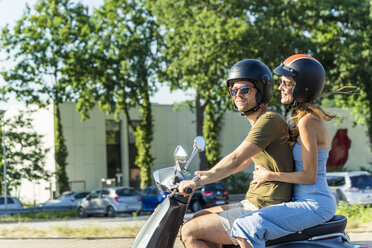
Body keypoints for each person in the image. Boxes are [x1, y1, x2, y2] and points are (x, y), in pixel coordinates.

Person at [178, 59, 294, 248]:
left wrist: (197, 182)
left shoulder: (269, 120)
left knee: (189, 230)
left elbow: (235, 159)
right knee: (200, 216)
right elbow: (243, 163)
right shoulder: (260, 123)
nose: (238, 94)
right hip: (254, 202)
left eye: (245, 90)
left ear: (261, 90)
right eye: (234, 91)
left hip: (266, 207)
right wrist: (205, 175)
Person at [231, 54, 337, 248]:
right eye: (281, 82)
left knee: (244, 226)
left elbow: (309, 176)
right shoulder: (300, 118)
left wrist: (269, 175)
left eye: (286, 83)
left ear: (303, 86)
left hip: (314, 204)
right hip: (303, 201)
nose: (280, 87)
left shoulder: (308, 121)